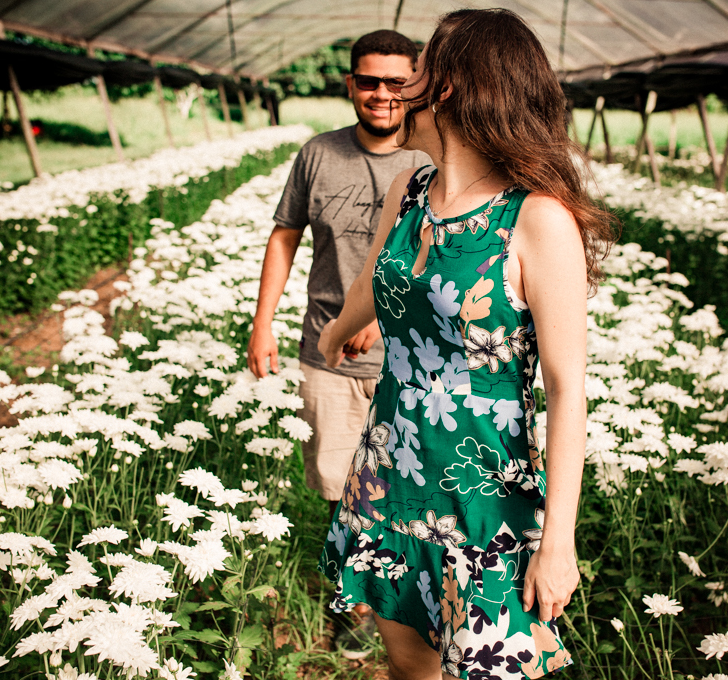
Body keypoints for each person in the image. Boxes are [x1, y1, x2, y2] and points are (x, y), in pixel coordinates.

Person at [317, 9, 617, 680]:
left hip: (483, 502)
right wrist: (334, 333)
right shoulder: (410, 190)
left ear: (447, 86)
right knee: (409, 669)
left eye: (417, 71)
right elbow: (373, 278)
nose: (400, 87)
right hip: (388, 474)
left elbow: (567, 390)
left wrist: (559, 541)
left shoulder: (536, 219)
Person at [247, 29, 430, 658]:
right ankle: (354, 606)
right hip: (327, 354)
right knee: (343, 487)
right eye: (368, 81)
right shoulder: (318, 154)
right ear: (351, 84)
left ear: (416, 85)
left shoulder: (433, 158)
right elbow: (285, 235)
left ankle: (409, 604)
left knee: (410, 488)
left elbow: (449, 254)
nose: (382, 94)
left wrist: (385, 315)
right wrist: (263, 322)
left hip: (414, 361)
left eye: (396, 82)